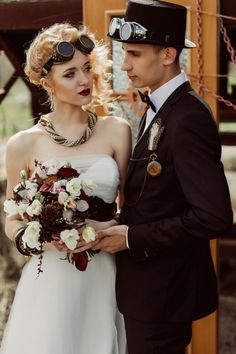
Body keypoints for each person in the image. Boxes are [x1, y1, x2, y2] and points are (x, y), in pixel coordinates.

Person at [83, 1, 233, 353]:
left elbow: (214, 216)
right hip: (146, 292)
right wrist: (114, 224)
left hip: (164, 296)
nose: (125, 65)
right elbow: (160, 197)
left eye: (134, 54)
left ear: (168, 54)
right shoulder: (161, 106)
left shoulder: (188, 118)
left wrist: (132, 237)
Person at [1, 22, 131, 354]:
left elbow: (133, 208)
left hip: (106, 271)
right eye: (70, 74)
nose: (85, 80)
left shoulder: (117, 131)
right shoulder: (22, 145)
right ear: (48, 83)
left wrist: (106, 228)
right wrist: (38, 237)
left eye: (87, 69)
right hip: (49, 278)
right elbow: (12, 218)